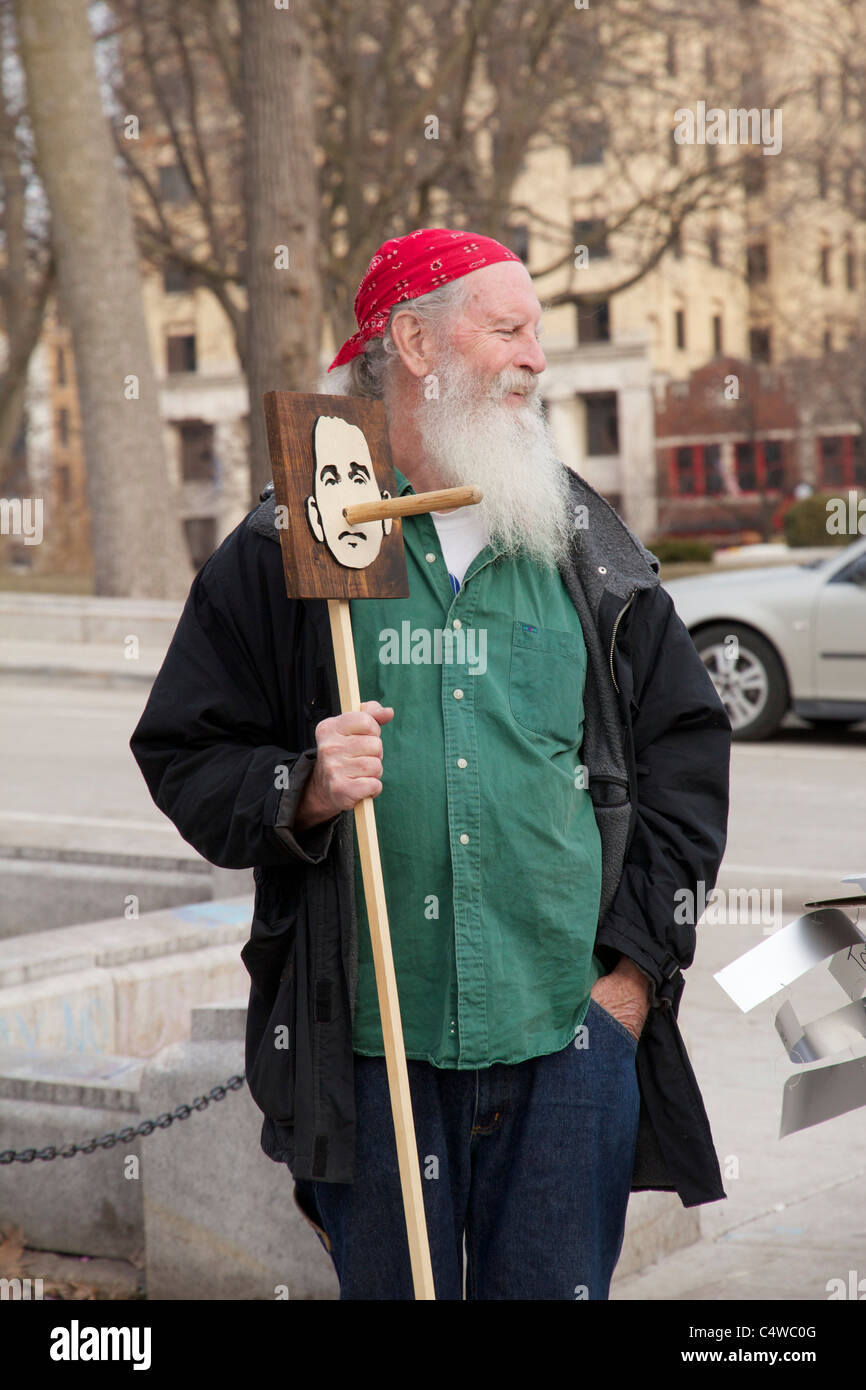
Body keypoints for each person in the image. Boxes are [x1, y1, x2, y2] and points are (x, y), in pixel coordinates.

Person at [130, 227, 732, 1301]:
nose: (537, 359)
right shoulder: (289, 549)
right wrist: (300, 785)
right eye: (508, 329)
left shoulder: (583, 545)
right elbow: (183, 749)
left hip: (564, 1043)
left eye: (536, 331)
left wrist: (630, 976)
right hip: (368, 1051)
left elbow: (683, 762)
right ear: (413, 341)